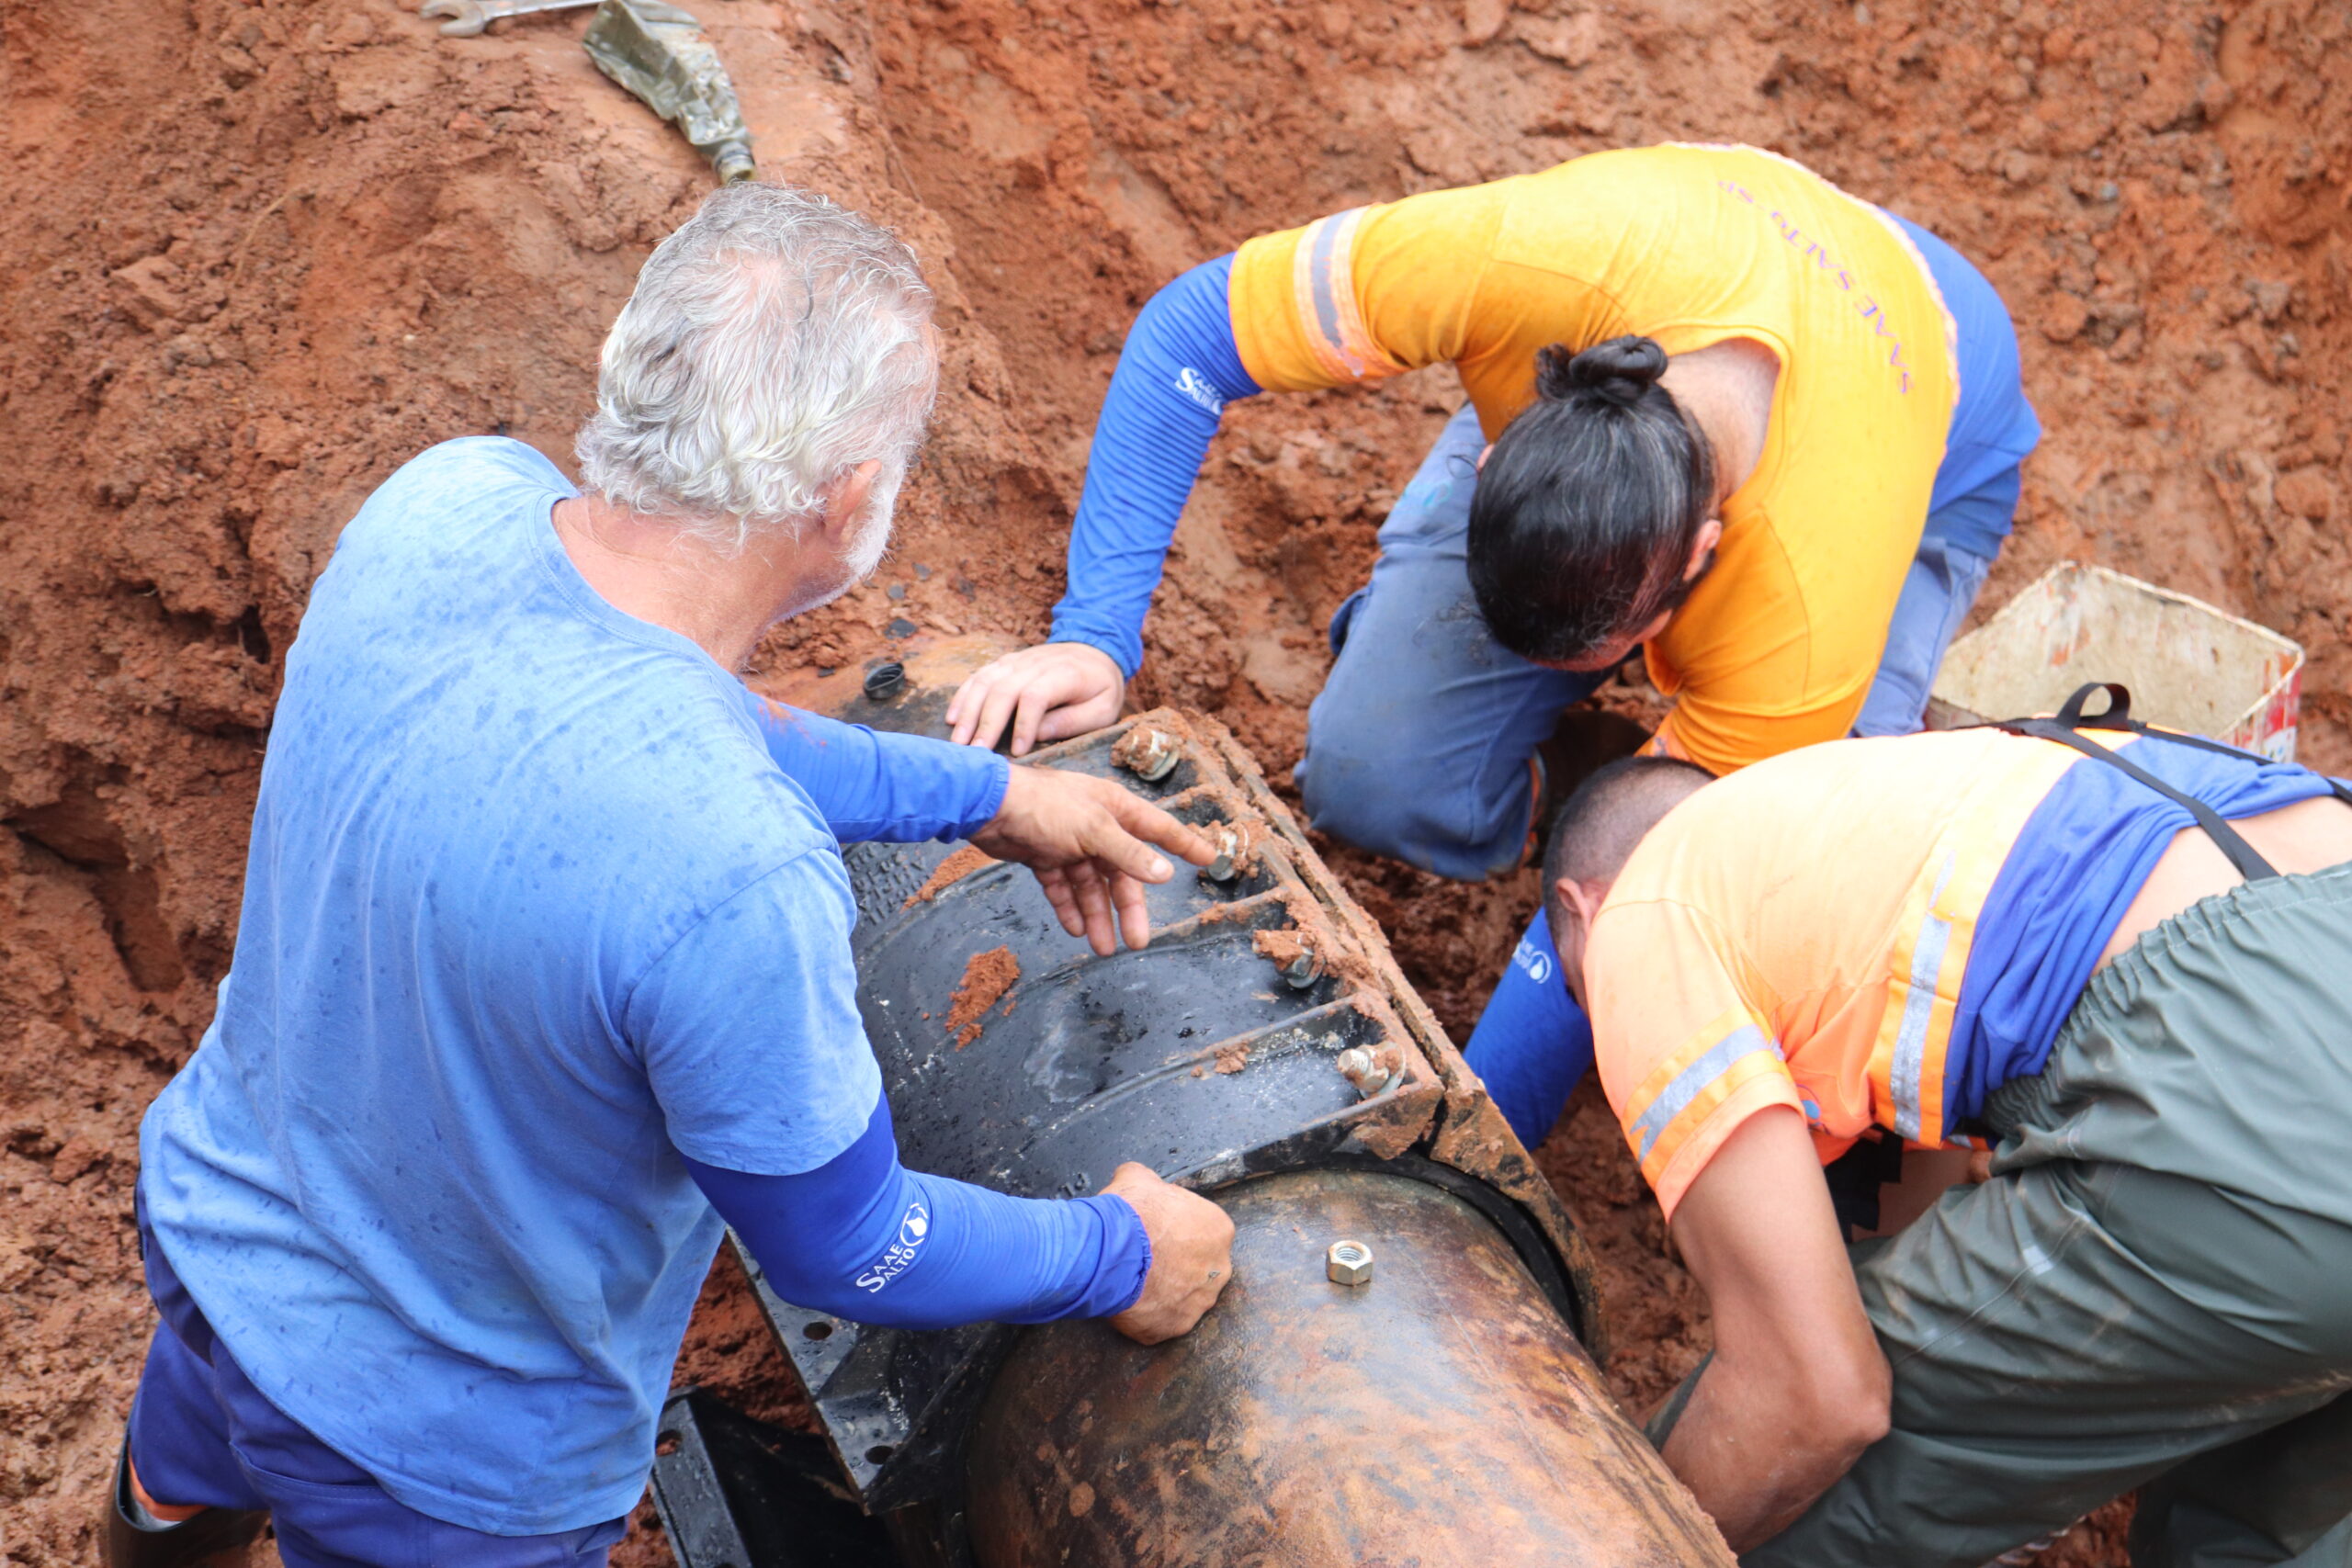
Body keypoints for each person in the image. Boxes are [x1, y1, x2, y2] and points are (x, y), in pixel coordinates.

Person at [108, 184, 1236, 1568]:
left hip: (215, 1235)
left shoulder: (446, 502)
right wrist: (1119, 1249)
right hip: (438, 1452)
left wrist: (992, 792)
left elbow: (681, 716)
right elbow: (852, 1248)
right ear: (849, 496)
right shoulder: (734, 872)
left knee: (188, 1477)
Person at [935, 142, 2041, 1147]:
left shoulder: (1803, 612)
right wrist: (1091, 639)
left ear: (1700, 560)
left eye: (1590, 653)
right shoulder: (1515, 270)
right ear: (1509, 444)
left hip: (1933, 415)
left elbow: (1649, 891)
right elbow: (1189, 331)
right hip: (1673, 289)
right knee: (1374, 775)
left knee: (1767, 924)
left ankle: (1649, 769)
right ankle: (1580, 766)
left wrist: (1472, 1133)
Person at [1538, 692, 2352, 1563]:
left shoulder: (1640, 912)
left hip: (2240, 1076)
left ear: (1581, 906)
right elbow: (1914, 1226)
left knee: (1771, 1485)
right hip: (2310, 938)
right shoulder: (1921, 807)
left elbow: (1815, 1393)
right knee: (2251, 1523)